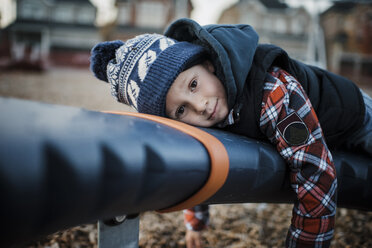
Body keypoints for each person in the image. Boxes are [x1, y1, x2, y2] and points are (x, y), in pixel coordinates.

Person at [90, 18, 372, 248]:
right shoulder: (208, 114)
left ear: (209, 65)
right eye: (180, 111)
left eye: (193, 85)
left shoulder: (272, 93)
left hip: (356, 117)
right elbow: (195, 159)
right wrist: (196, 224)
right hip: (315, 130)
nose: (200, 106)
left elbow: (316, 172)